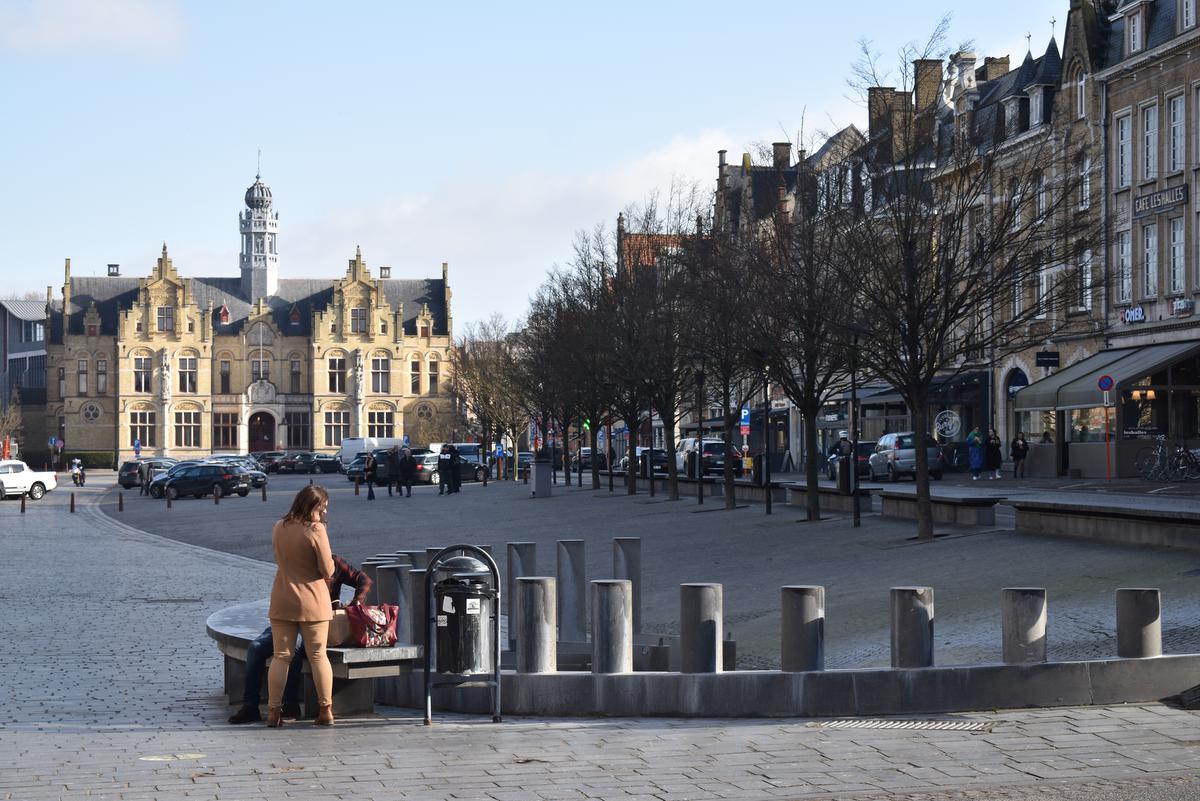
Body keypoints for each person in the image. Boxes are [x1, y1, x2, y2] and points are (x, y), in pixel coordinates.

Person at [229, 550, 371, 724]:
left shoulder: (334, 563)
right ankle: (250, 706)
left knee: (293, 649)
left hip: (315, 623)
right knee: (256, 647)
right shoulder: (294, 561)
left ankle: (290, 704)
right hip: (288, 619)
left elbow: (363, 579)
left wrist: (357, 601)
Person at [265, 485, 336, 727]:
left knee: (281, 656)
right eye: (323, 505)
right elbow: (328, 570)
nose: (325, 510)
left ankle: (274, 711)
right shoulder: (316, 530)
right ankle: (325, 710)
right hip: (312, 600)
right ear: (314, 506)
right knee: (318, 655)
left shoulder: (279, 526)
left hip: (282, 596)